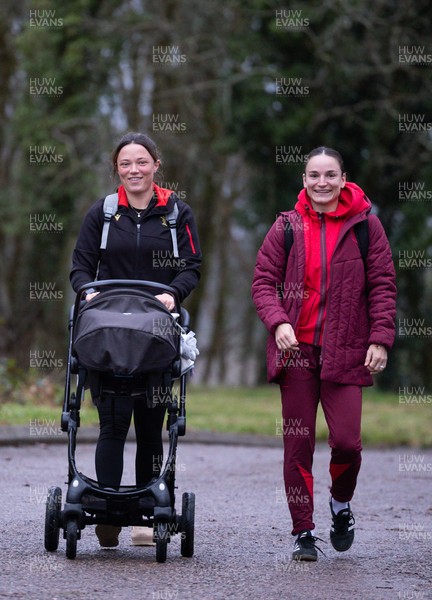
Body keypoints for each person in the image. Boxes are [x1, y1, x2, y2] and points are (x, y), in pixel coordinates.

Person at [251, 147, 396, 561]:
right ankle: (303, 531)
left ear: (343, 178)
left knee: (348, 443)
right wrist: (279, 321)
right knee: (297, 445)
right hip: (296, 352)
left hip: (348, 351)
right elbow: (263, 282)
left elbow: (383, 286)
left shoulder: (366, 225)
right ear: (304, 180)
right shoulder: (286, 226)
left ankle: (340, 505)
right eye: (314, 175)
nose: (322, 183)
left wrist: (380, 338)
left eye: (330, 175)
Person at [70, 132, 201, 548]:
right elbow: (80, 268)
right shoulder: (104, 213)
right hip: (109, 330)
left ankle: (147, 514)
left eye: (141, 162)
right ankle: (107, 510)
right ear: (117, 169)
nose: (134, 170)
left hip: (156, 330)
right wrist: (88, 292)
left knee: (150, 425)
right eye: (125, 164)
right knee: (112, 423)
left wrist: (172, 294)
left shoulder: (177, 214)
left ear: (156, 165)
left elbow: (191, 267)